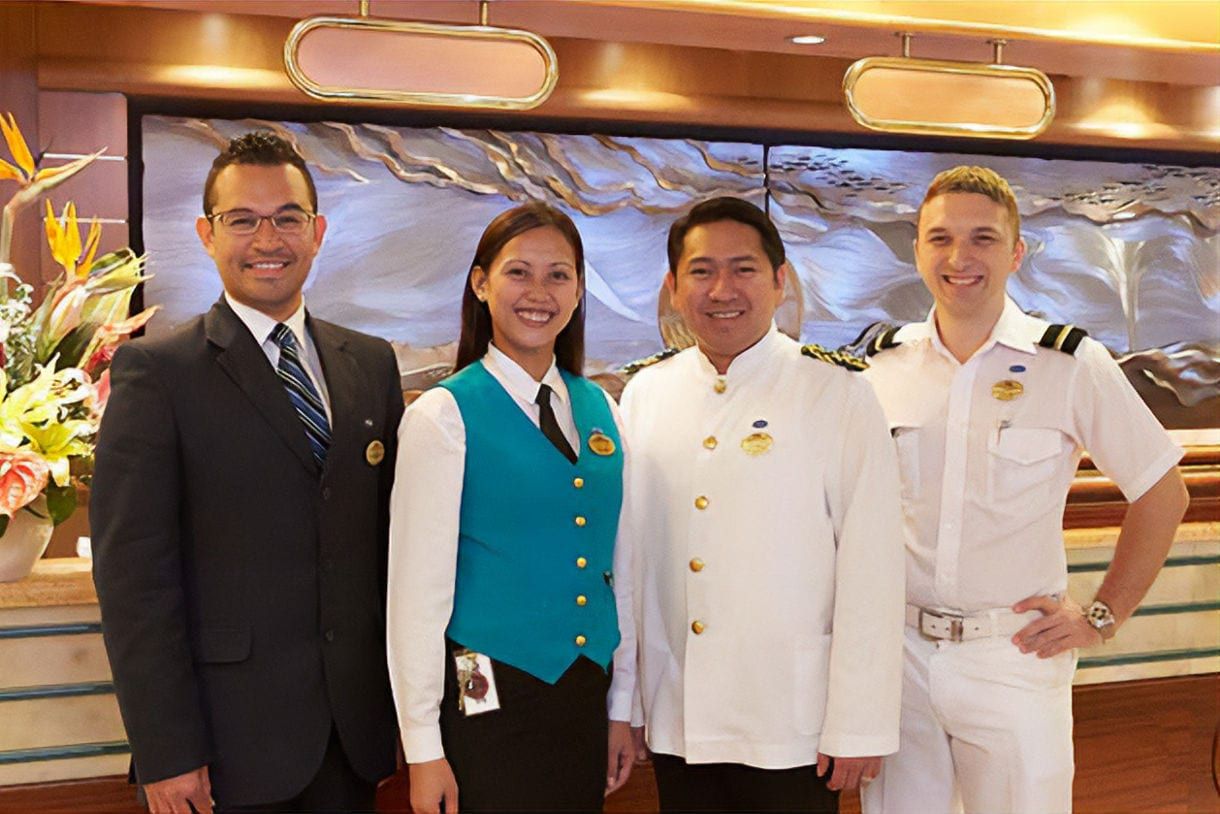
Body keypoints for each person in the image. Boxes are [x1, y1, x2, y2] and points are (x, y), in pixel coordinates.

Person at [860, 165, 1190, 814]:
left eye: (982, 238)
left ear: (1017, 252)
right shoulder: (880, 365)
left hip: (1011, 655)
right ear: (917, 247)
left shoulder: (1069, 364)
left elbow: (1162, 492)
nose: (959, 258)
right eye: (939, 238)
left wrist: (1103, 615)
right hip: (900, 661)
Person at [91, 131, 404, 813]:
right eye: (243, 220)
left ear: (317, 232)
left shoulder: (371, 364)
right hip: (224, 749)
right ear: (207, 234)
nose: (269, 239)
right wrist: (167, 753)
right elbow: (133, 582)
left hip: (351, 741)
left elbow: (385, 547)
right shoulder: (157, 373)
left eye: (288, 218)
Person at [620, 196, 905, 813]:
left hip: (792, 718)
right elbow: (634, 563)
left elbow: (873, 567)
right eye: (700, 271)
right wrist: (630, 703)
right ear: (673, 288)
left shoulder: (838, 391)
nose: (722, 288)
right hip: (680, 711)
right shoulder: (645, 393)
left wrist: (859, 723)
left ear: (780, 281)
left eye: (743, 269)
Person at [387, 203, 636, 814]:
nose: (539, 293)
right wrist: (423, 748)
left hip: (584, 686)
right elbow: (416, 597)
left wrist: (622, 707)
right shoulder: (443, 415)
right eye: (518, 273)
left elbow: (622, 567)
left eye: (559, 275)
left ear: (579, 289)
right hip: (484, 687)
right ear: (480, 284)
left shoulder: (602, 408)